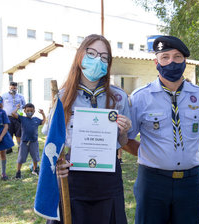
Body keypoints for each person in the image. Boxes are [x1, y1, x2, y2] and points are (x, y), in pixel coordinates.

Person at [123, 36, 199, 224]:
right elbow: (125, 140)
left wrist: (190, 151)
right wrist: (151, 154)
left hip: (190, 181)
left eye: (177, 57)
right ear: (156, 62)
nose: (171, 62)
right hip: (152, 181)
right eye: (165, 57)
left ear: (185, 61)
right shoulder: (140, 98)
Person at [48, 34, 131, 224]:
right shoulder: (61, 97)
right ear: (80, 56)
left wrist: (124, 131)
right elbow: (53, 144)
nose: (97, 60)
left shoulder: (119, 97)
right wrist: (58, 165)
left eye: (104, 57)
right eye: (91, 53)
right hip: (73, 177)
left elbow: (123, 143)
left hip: (108, 177)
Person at [12, 103, 45, 179]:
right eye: (28, 111)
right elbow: (13, 114)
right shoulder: (22, 119)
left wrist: (43, 114)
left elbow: (43, 122)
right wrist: (17, 108)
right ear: (25, 111)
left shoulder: (36, 119)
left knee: (35, 157)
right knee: (21, 158)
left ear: (34, 111)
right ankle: (18, 172)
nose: (29, 112)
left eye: (31, 111)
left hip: (34, 141)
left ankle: (35, 169)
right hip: (24, 142)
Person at [2, 81, 26, 154]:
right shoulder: (4, 95)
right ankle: (9, 148)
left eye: (14, 88)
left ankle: (19, 147)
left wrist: (19, 107)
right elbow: (1, 105)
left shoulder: (20, 96)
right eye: (11, 88)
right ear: (9, 87)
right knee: (9, 133)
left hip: (18, 117)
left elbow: (24, 106)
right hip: (8, 117)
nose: (13, 89)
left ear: (17, 88)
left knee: (19, 133)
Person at [0, 95, 14, 180]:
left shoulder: (2, 112)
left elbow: (6, 126)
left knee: (2, 153)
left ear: (0, 104)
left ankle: (3, 173)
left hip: (1, 135)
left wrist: (0, 138)